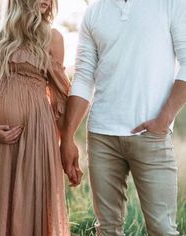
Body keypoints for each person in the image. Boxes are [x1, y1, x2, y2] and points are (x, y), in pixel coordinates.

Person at [60, 0, 186, 235]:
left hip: (152, 137)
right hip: (101, 137)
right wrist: (66, 138)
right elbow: (84, 76)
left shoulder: (171, 3)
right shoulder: (93, 13)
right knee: (107, 229)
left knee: (162, 229)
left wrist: (164, 119)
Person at [0, 0, 71, 235]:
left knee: (28, 209)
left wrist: (65, 146)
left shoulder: (53, 38)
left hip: (37, 138)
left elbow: (60, 99)